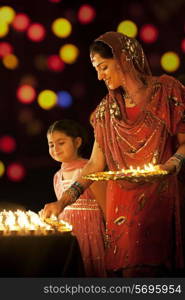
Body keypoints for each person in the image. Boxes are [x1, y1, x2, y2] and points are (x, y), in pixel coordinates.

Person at [41, 31, 185, 277]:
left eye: (104, 67)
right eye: (96, 69)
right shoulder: (105, 112)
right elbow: (95, 165)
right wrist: (62, 202)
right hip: (122, 206)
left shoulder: (166, 91)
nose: (100, 76)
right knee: (131, 275)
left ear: (124, 59)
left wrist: (172, 164)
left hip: (160, 197)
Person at [44, 119, 107, 277]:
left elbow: (107, 207)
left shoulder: (89, 171)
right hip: (70, 237)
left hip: (92, 235)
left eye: (61, 143)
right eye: (51, 144)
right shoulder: (57, 177)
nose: (55, 149)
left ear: (77, 142)